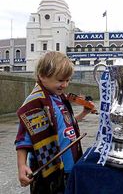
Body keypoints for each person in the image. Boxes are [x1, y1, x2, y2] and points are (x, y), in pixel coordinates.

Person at [15, 51, 93, 194]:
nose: (64, 85)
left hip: (69, 166)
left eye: (67, 80)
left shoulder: (60, 98)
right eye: (60, 80)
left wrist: (83, 114)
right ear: (42, 76)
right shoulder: (35, 103)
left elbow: (65, 124)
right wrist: (21, 165)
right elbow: (23, 139)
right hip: (48, 170)